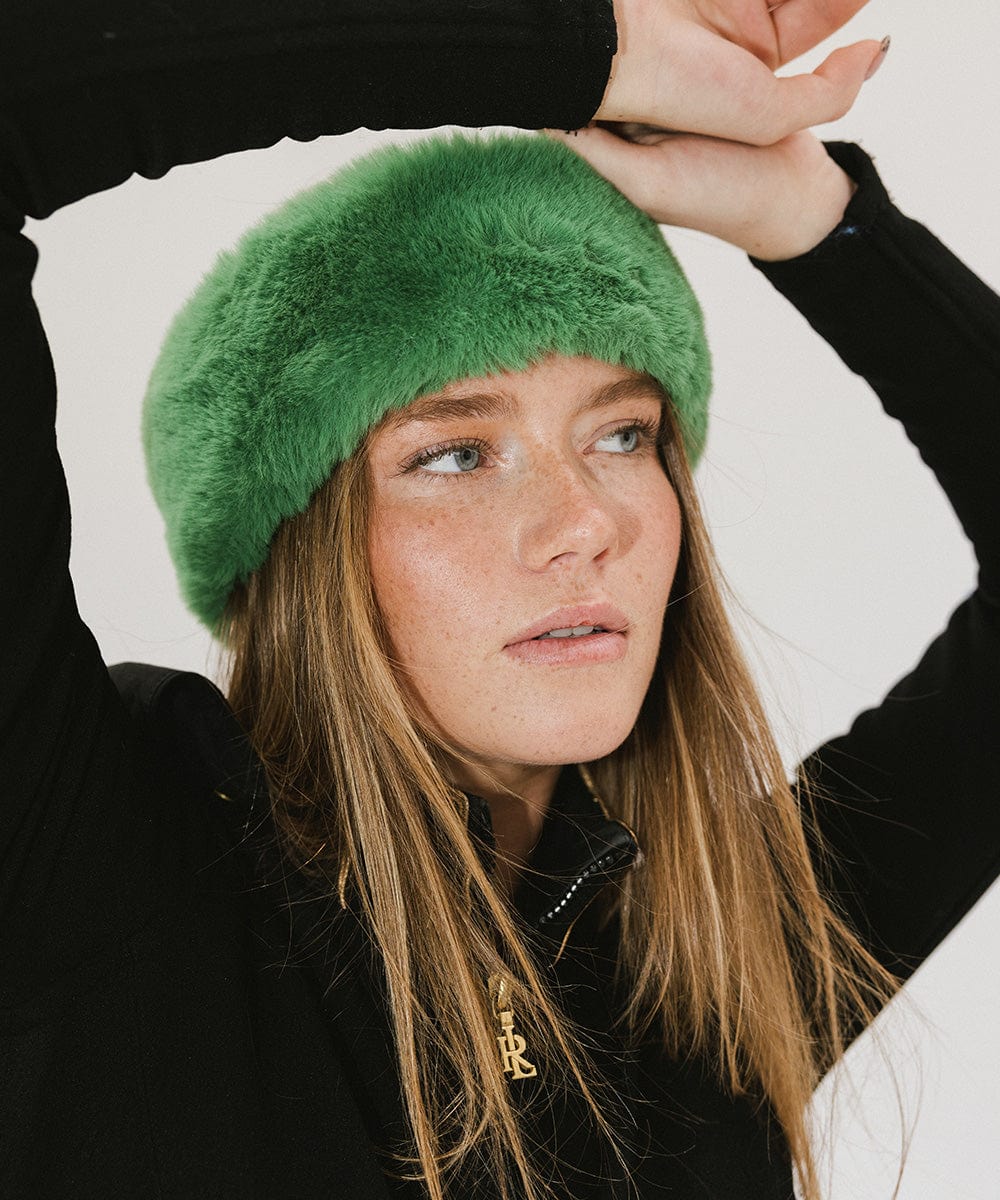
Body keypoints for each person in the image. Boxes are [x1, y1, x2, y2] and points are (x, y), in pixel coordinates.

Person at [3, 4, 997, 1200]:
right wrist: (590, 43)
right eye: (455, 454)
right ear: (290, 541)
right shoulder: (85, 870)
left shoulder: (714, 958)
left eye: (622, 434)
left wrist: (818, 226)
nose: (589, 523)